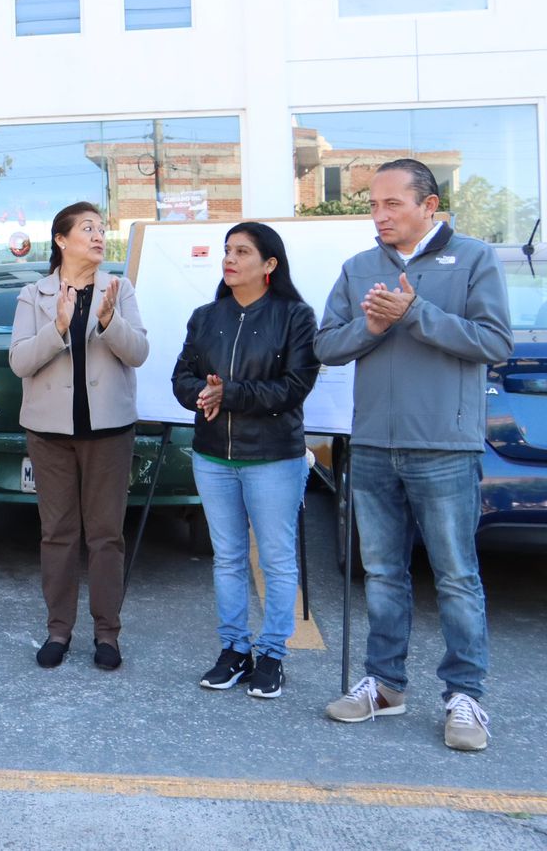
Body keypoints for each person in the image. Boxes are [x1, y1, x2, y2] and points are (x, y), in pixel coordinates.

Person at [316, 158, 512, 751]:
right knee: (381, 574)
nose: (378, 216)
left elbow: (495, 343)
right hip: (373, 444)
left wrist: (416, 314)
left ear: (429, 206)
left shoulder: (474, 259)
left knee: (455, 577)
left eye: (391, 204)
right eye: (373, 205)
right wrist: (373, 327)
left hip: (445, 447)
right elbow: (326, 344)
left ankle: (465, 698)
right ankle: (384, 685)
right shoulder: (359, 269)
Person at [171, 222, 320, 699]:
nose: (229, 259)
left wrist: (226, 393)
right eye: (226, 251)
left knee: (276, 560)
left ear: (269, 264)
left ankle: (273, 654)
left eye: (241, 252)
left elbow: (294, 388)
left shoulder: (295, 316)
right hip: (213, 455)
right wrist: (202, 395)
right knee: (228, 558)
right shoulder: (205, 316)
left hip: (274, 456)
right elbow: (182, 377)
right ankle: (234, 650)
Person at [9, 201, 148, 672]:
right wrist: (60, 327)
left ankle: (107, 634)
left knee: (107, 535)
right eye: (87, 228)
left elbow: (139, 353)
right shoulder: (35, 294)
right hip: (50, 434)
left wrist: (109, 322)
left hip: (109, 431)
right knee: (58, 534)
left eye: (101, 228)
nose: (98, 235)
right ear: (61, 240)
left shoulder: (119, 288)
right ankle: (58, 630)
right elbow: (20, 362)